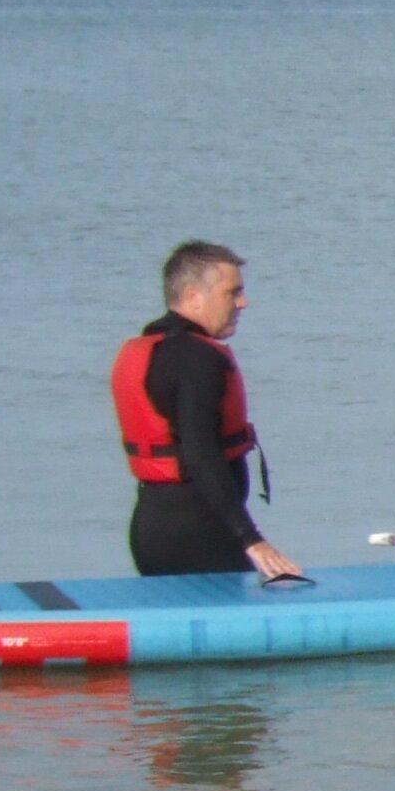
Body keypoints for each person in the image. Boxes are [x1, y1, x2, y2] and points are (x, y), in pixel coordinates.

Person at [115, 241, 304, 581]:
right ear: (193, 296)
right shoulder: (196, 360)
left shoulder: (153, 348)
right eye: (233, 293)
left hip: (151, 527)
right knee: (249, 627)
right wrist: (251, 539)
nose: (242, 303)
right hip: (197, 534)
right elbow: (200, 454)